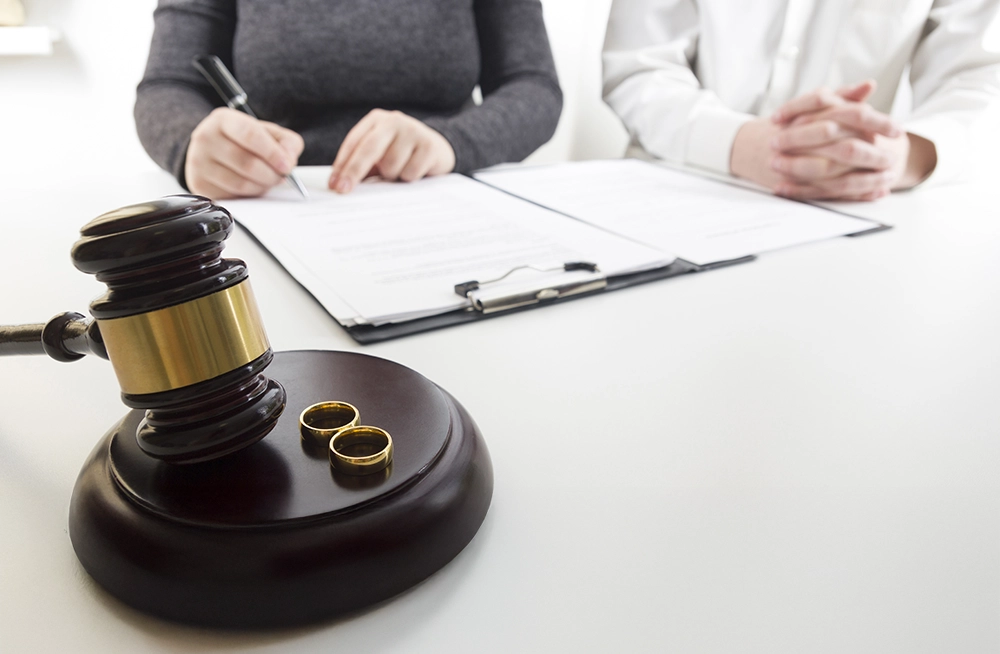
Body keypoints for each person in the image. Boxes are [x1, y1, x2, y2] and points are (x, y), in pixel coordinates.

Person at [135, 0, 563, 199]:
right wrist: (192, 144)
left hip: (443, 195)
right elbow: (166, 86)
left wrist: (450, 141)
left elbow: (534, 86)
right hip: (275, 202)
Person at [602, 1, 1000, 201]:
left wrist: (902, 155)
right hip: (672, 190)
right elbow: (638, 66)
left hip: (857, 207)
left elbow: (979, 74)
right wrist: (738, 143)